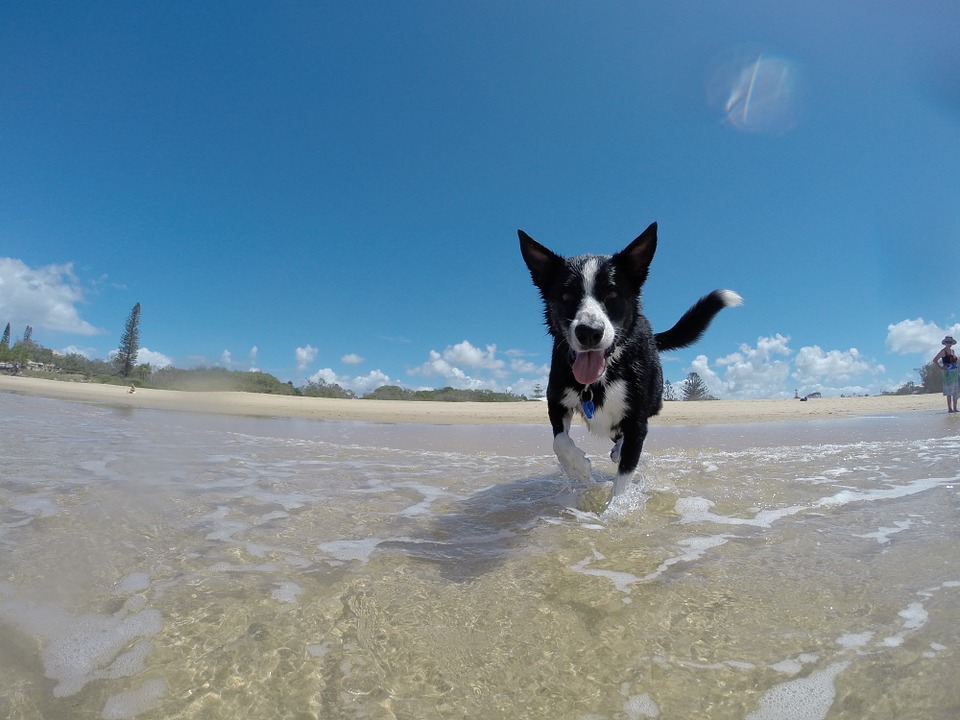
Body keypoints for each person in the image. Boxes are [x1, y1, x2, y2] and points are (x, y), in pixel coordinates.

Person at [933, 336, 960, 412]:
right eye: (947, 342)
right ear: (944, 343)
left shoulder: (953, 351)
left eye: (950, 342)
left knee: (956, 390)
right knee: (949, 391)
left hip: (955, 372)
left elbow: (955, 361)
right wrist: (941, 368)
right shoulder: (943, 351)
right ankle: (950, 408)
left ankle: (955, 408)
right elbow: (935, 360)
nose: (949, 343)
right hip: (948, 374)